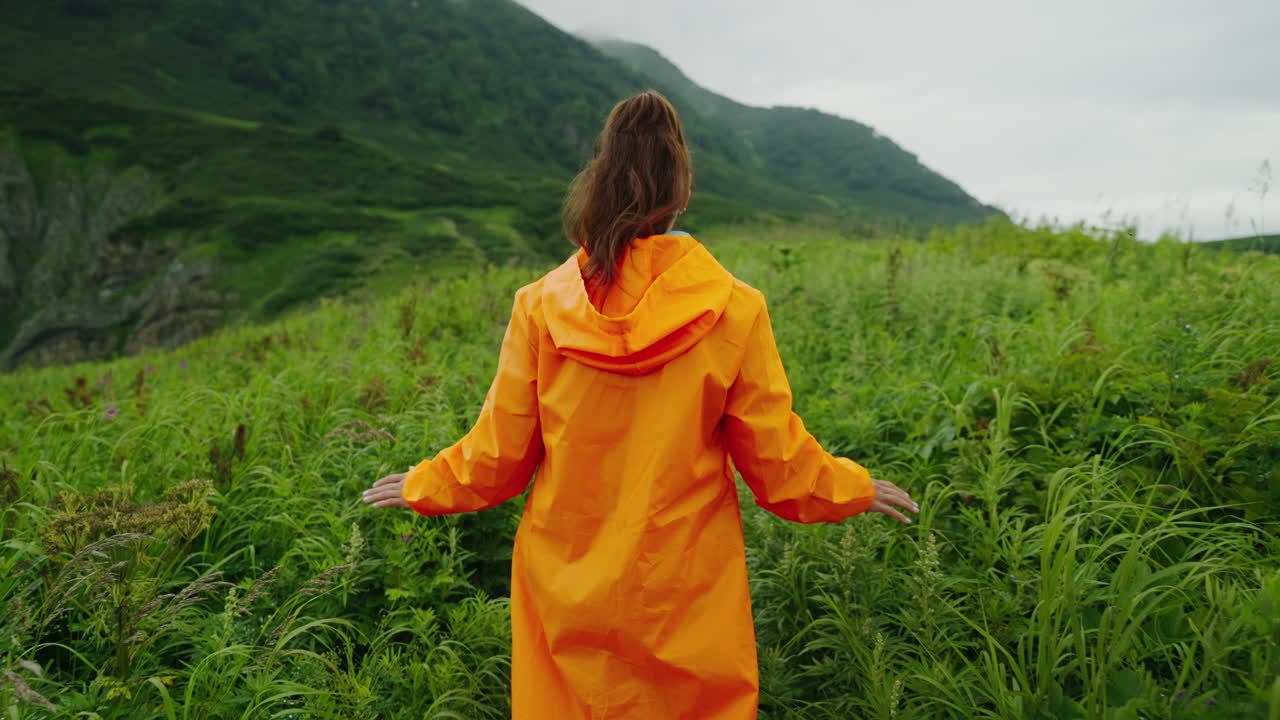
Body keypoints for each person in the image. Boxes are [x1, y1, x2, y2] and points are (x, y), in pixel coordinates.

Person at [362, 89, 918, 720]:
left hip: (566, 590)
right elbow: (779, 467)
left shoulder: (541, 306)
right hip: (685, 596)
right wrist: (852, 486)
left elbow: (499, 454)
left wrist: (423, 483)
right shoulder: (735, 307)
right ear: (681, 193)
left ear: (598, 182)